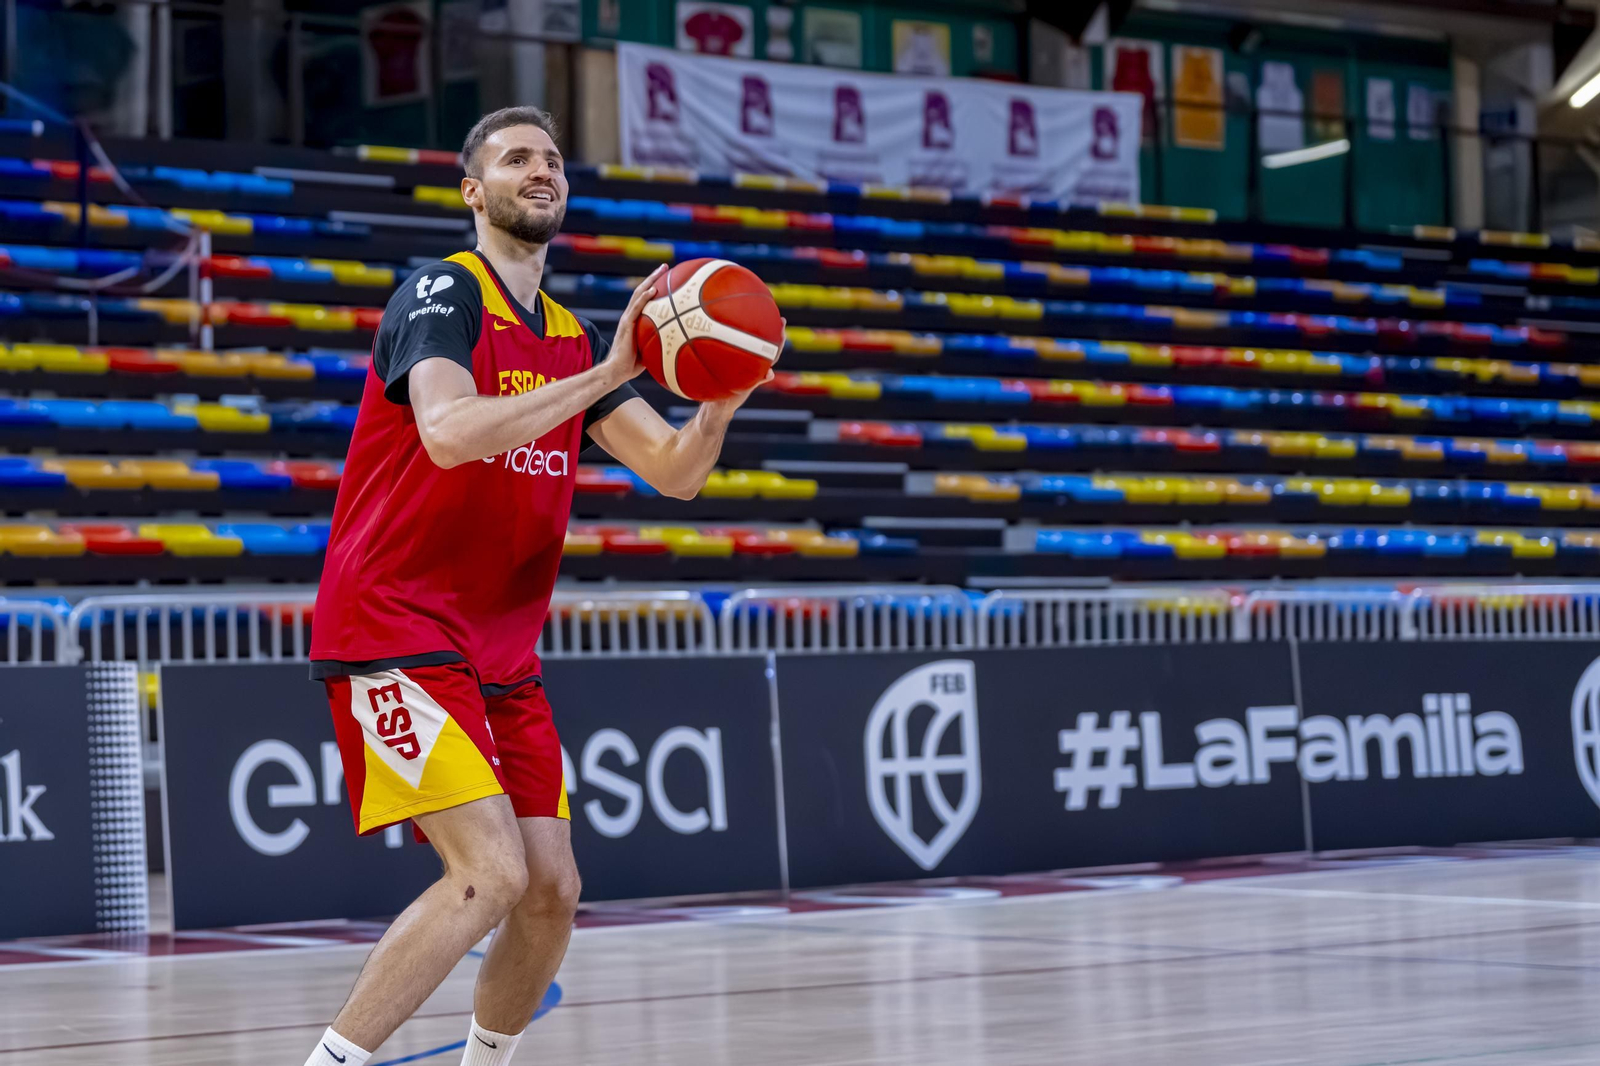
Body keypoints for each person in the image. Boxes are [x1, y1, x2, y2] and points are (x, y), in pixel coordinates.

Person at [302, 105, 778, 1066]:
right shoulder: (442, 293)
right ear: (474, 192)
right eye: (517, 158)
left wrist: (722, 397)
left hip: (500, 658)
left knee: (553, 889)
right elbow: (448, 431)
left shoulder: (573, 336)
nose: (541, 169)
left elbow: (676, 472)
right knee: (488, 875)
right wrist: (607, 371)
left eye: (553, 159)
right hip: (394, 628)